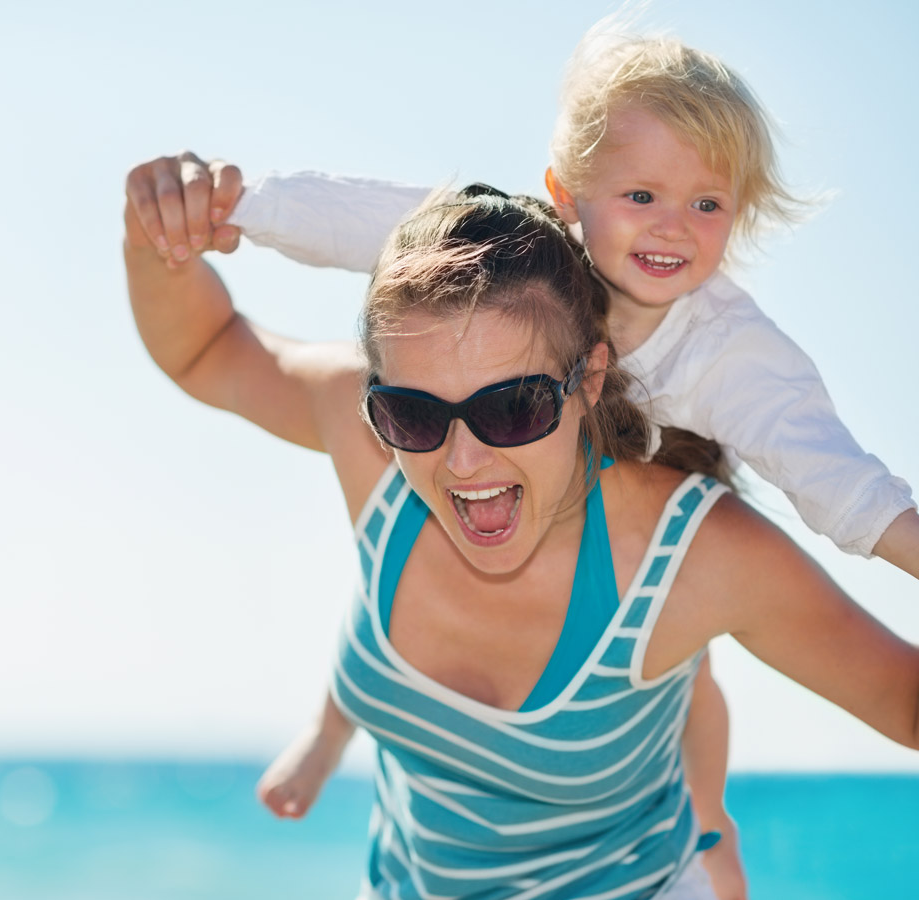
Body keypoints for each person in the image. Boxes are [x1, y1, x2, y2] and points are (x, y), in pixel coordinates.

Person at [124, 26, 918, 900]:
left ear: (589, 379)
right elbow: (218, 339)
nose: (463, 458)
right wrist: (175, 223)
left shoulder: (699, 532)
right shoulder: (380, 439)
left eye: (514, 407)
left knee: (690, 686)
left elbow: (851, 515)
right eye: (413, 413)